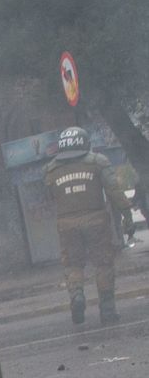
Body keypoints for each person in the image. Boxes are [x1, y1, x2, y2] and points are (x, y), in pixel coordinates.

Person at [44, 125, 132, 324]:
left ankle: (77, 295)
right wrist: (127, 215)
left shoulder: (51, 169)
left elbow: (50, 197)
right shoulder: (98, 162)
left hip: (66, 224)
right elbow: (114, 191)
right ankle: (107, 310)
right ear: (85, 143)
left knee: (73, 264)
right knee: (103, 263)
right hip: (96, 221)